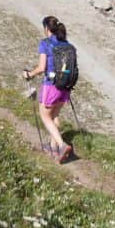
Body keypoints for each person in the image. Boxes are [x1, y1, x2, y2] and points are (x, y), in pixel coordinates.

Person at [23, 16, 75, 164]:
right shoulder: (67, 44)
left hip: (51, 86)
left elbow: (41, 68)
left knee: (45, 116)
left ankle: (61, 145)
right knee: (54, 117)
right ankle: (53, 148)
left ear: (46, 28)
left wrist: (28, 74)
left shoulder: (45, 44)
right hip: (65, 87)